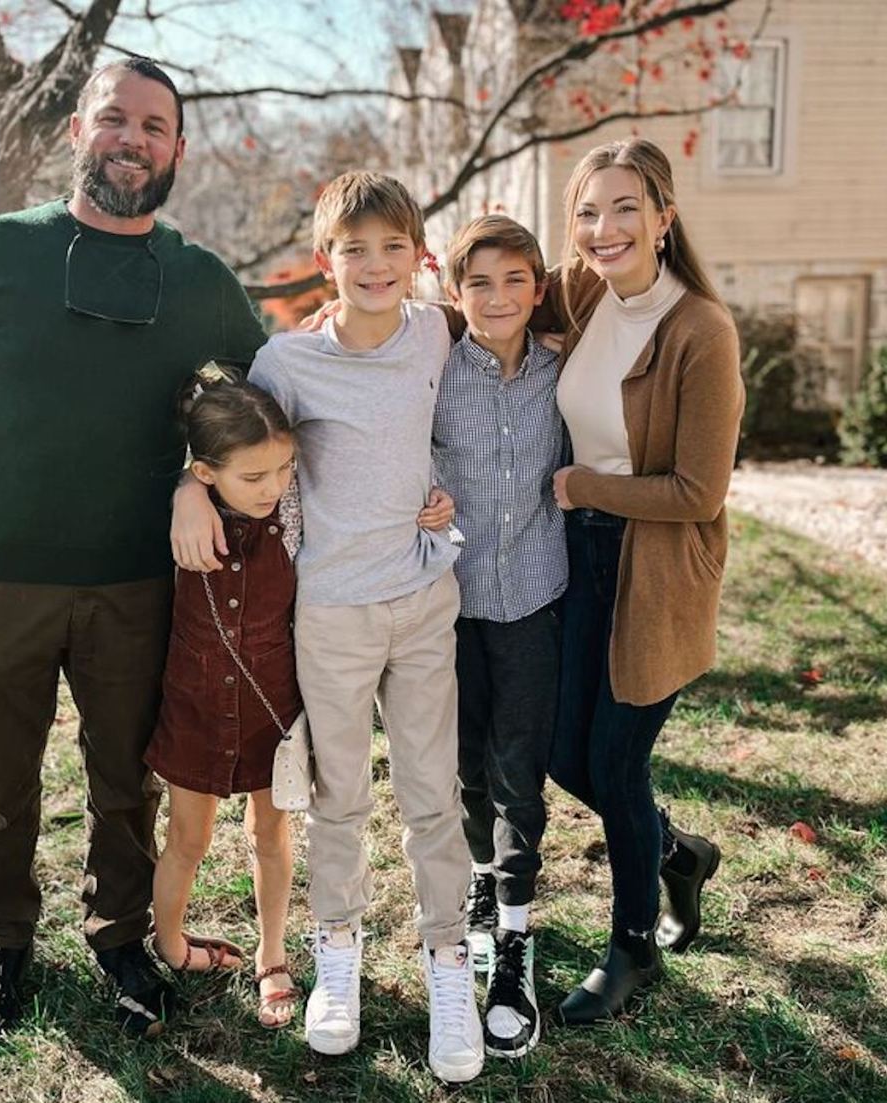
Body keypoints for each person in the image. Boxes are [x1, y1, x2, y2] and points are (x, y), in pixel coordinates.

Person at [0, 57, 267, 1040]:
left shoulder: (200, 281)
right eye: (114, 120)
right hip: (2, 572)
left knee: (123, 779)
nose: (131, 140)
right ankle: (4, 944)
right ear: (77, 133)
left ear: (177, 150)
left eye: (153, 127)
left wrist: (197, 477)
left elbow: (275, 408)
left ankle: (120, 939)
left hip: (138, 581)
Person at [172, 172, 484, 1083]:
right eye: (355, 248)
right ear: (326, 261)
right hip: (333, 612)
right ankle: (336, 955)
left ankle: (448, 963)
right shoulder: (289, 362)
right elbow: (226, 434)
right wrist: (188, 486)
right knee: (338, 795)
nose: (375, 265)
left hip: (425, 601)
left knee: (433, 795)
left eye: (394, 247)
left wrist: (440, 501)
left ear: (417, 257)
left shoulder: (434, 329)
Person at [543, 137, 744, 1024]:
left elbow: (700, 491)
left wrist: (586, 486)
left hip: (654, 565)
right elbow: (489, 293)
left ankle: (630, 949)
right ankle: (678, 851)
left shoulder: (701, 328)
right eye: (588, 211)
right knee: (560, 751)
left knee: (617, 764)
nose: (604, 228)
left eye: (625, 208)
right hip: (576, 559)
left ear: (665, 217)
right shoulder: (585, 289)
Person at [432, 215, 566, 1058]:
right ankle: (482, 883)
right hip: (447, 601)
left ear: (539, 288)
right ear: (453, 293)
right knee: (465, 764)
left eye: (516, 279)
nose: (498, 296)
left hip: (534, 598)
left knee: (520, 770)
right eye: (478, 282)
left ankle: (514, 936)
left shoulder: (563, 367)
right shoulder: (432, 370)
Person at [145, 367, 303, 1028]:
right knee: (188, 836)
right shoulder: (180, 520)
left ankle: (273, 954)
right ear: (207, 473)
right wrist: (185, 487)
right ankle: (171, 942)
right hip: (196, 704)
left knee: (272, 830)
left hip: (275, 702)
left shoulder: (294, 513)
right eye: (255, 477)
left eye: (283, 469)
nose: (273, 487)